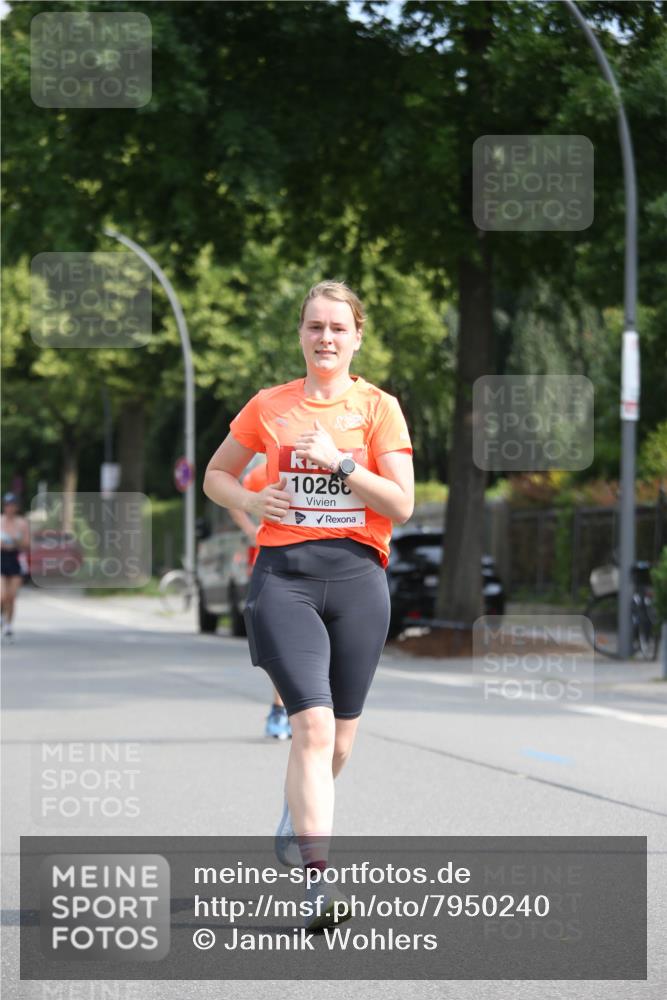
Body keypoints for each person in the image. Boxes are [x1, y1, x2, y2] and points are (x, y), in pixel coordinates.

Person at [203, 280, 414, 930]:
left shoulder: (378, 408)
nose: (324, 337)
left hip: (357, 581)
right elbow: (216, 475)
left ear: (356, 336)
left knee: (340, 742)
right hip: (285, 577)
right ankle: (317, 887)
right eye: (314, 326)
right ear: (301, 333)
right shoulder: (269, 406)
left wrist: (342, 466)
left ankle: (295, 819)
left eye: (336, 328)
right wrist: (246, 500)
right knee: (312, 729)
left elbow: (400, 504)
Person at [228, 455, 292, 740]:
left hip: (323, 567)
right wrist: (252, 531)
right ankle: (280, 710)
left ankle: (309, 710)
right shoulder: (265, 471)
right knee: (286, 643)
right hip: (276, 564)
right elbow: (233, 498)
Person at [1, 492, 30, 642]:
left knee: (11, 596)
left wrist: (14, 541)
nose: (9, 508)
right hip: (1, 558)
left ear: (16, 507)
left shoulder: (22, 523)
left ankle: (8, 625)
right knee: (2, 596)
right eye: (7, 505)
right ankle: (2, 615)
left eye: (12, 505)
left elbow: (26, 544)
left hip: (15, 559)